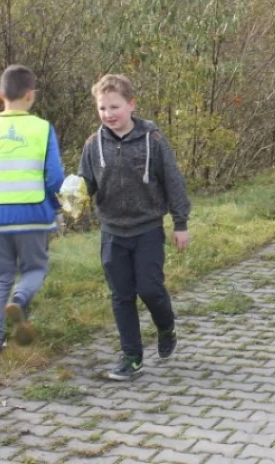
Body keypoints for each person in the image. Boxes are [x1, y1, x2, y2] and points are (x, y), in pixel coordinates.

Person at [78, 74, 192, 381]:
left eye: (114, 107)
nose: (108, 114)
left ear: (131, 105)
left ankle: (166, 326)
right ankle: (131, 356)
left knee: (150, 289)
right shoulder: (93, 145)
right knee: (121, 295)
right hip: (112, 232)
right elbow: (86, 183)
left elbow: (173, 180)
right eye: (102, 108)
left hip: (147, 229)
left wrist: (180, 223)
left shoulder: (152, 139)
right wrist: (71, 197)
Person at [0, 65, 65, 361]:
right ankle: (19, 299)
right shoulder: (42, 129)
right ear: (31, 95)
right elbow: (55, 178)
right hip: (33, 215)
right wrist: (56, 206)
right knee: (34, 269)